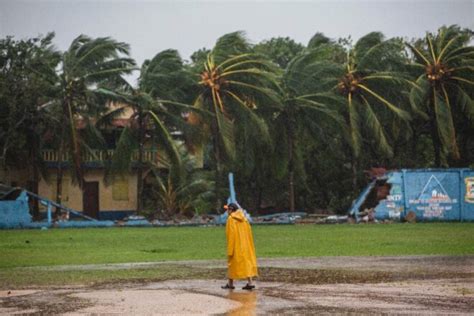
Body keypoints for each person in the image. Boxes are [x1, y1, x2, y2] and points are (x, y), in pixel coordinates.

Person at [222, 203, 258, 290]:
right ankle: (250, 283)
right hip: (246, 246)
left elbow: (230, 235)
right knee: (246, 264)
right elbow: (249, 234)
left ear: (231, 210)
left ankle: (230, 284)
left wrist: (230, 249)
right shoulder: (245, 219)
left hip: (236, 246)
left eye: (227, 209)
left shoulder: (231, 219)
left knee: (231, 264)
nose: (227, 211)